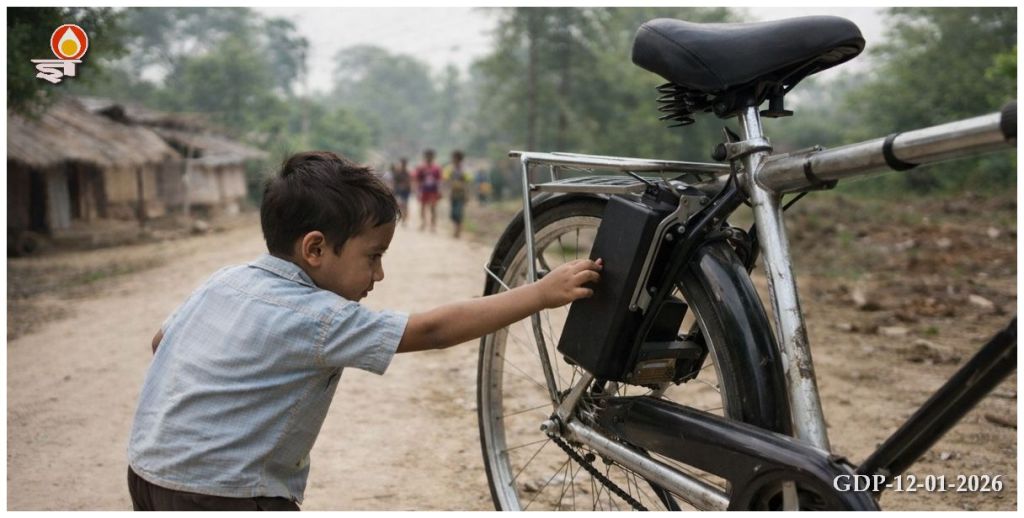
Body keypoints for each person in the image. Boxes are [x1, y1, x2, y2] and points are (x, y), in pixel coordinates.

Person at [125, 151, 602, 511]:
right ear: (315, 249)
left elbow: (160, 342)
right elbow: (434, 330)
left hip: (147, 472)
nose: (378, 276)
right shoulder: (319, 317)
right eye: (372, 257)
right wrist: (540, 293)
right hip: (227, 495)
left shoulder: (225, 279)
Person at [442, 150, 472, 239]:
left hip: (461, 194)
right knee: (453, 214)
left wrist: (467, 195)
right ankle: (456, 229)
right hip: (453, 194)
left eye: (454, 158)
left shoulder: (464, 169)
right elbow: (446, 181)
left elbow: (467, 183)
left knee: (459, 213)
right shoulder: (450, 169)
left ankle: (457, 231)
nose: (453, 160)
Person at [412, 148, 442, 232]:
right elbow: (417, 179)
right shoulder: (421, 167)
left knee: (433, 208)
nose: (429, 157)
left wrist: (439, 191)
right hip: (423, 190)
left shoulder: (437, 168)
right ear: (425, 157)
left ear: (433, 157)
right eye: (427, 156)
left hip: (433, 191)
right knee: (422, 207)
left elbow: (439, 180)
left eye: (431, 156)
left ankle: (433, 226)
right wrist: (417, 190)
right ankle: (423, 223)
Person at [391, 158, 412, 224]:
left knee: (405, 205)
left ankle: (404, 219)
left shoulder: (408, 172)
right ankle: (401, 218)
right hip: (398, 190)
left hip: (405, 191)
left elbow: (409, 182)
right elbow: (394, 181)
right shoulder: (397, 172)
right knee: (399, 204)